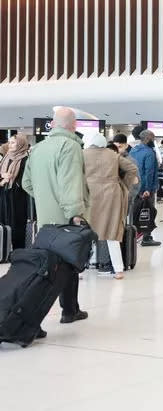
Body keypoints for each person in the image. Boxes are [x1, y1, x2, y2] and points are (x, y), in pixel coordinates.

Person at [22, 107, 90, 326]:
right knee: (66, 265)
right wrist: (75, 215)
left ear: (52, 124)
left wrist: (45, 198)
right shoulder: (70, 146)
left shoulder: (38, 148)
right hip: (65, 220)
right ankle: (61, 313)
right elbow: (70, 184)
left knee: (51, 266)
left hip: (45, 220)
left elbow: (27, 183)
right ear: (74, 125)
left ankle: (71, 309)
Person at [84, 133, 139, 279]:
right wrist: (124, 186)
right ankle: (119, 269)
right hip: (112, 194)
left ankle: (80, 270)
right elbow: (132, 169)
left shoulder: (83, 154)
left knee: (86, 232)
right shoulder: (112, 155)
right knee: (112, 232)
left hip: (90, 194)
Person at [130, 129, 162, 247]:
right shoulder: (149, 152)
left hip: (134, 187)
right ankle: (146, 237)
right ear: (148, 139)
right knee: (147, 211)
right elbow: (149, 171)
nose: (154, 141)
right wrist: (148, 189)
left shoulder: (133, 150)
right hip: (146, 188)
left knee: (135, 211)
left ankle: (134, 235)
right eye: (153, 139)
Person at [0, 134, 31, 250]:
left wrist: (13, 179)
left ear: (20, 144)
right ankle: (4, 250)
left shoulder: (26, 159)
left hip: (18, 197)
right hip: (4, 195)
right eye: (9, 142)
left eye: (13, 142)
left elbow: (27, 179)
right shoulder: (6, 157)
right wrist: (3, 178)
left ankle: (19, 251)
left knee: (18, 225)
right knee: (3, 223)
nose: (10, 145)